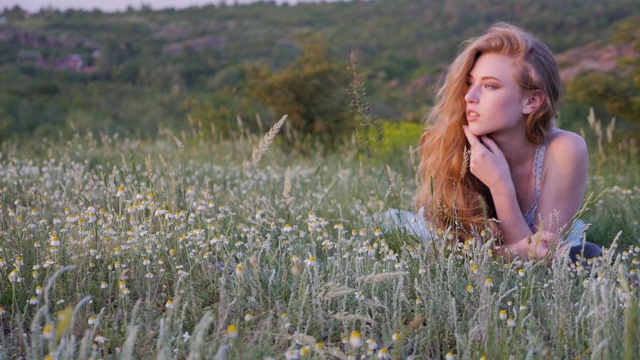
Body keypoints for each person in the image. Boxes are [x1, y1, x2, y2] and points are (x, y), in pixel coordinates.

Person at [413, 22, 602, 262]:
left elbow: (537, 256)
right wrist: (520, 250)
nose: (470, 97)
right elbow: (458, 254)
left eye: (490, 86)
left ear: (532, 101)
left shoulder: (564, 150)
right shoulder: (447, 145)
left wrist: (499, 185)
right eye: (470, 82)